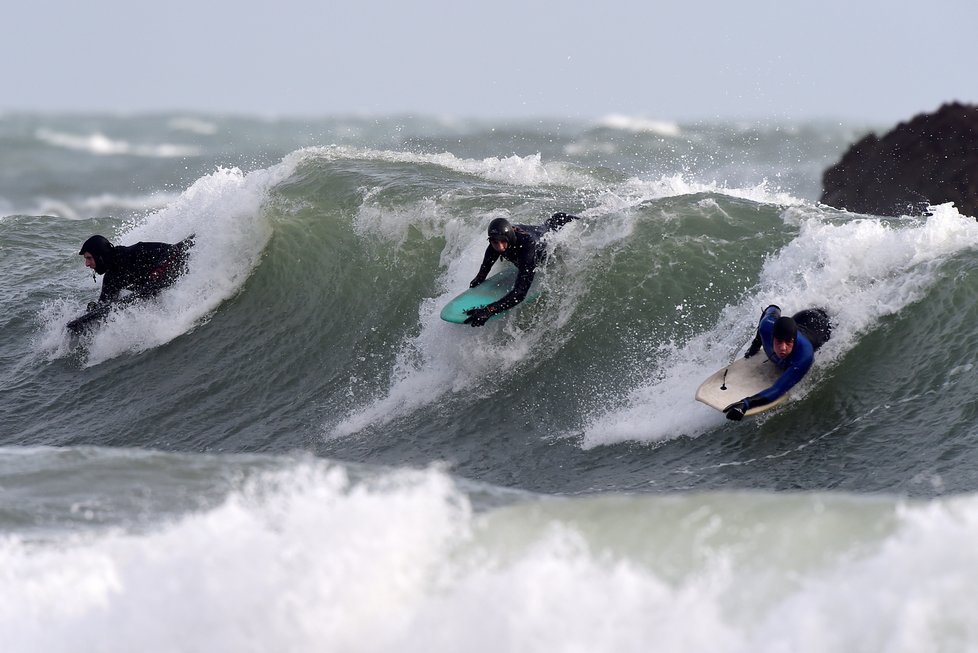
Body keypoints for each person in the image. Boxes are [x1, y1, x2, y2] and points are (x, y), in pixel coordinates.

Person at [463, 212, 579, 326]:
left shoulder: (527, 246)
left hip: (552, 235)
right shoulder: (495, 243)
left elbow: (520, 294)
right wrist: (471, 293)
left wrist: (489, 310)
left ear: (509, 237)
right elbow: (480, 277)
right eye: (495, 243)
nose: (500, 248)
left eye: (503, 242)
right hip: (539, 230)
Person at [723, 305, 832, 421]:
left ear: (793, 340)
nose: (783, 348)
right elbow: (773, 308)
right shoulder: (766, 326)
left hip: (820, 327)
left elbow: (777, 389)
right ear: (772, 337)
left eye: (788, 342)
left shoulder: (804, 355)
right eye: (779, 341)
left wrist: (745, 404)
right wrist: (756, 343)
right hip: (800, 317)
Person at [68, 233, 195, 332]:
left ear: (100, 256)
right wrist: (85, 319)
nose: (87, 264)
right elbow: (104, 307)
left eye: (89, 258)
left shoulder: (134, 252)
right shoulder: (112, 278)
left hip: (188, 262)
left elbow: (172, 251)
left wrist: (156, 275)